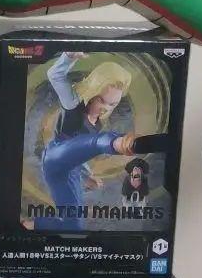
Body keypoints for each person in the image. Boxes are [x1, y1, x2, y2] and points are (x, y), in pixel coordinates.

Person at [23, 53, 167, 231]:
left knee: (74, 225)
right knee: (99, 141)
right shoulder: (73, 104)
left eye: (112, 104)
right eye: (101, 101)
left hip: (69, 171)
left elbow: (81, 152)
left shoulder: (97, 123)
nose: (105, 108)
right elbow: (55, 75)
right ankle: (122, 143)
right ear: (92, 91)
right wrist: (69, 57)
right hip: (56, 156)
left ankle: (28, 226)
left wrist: (86, 176)